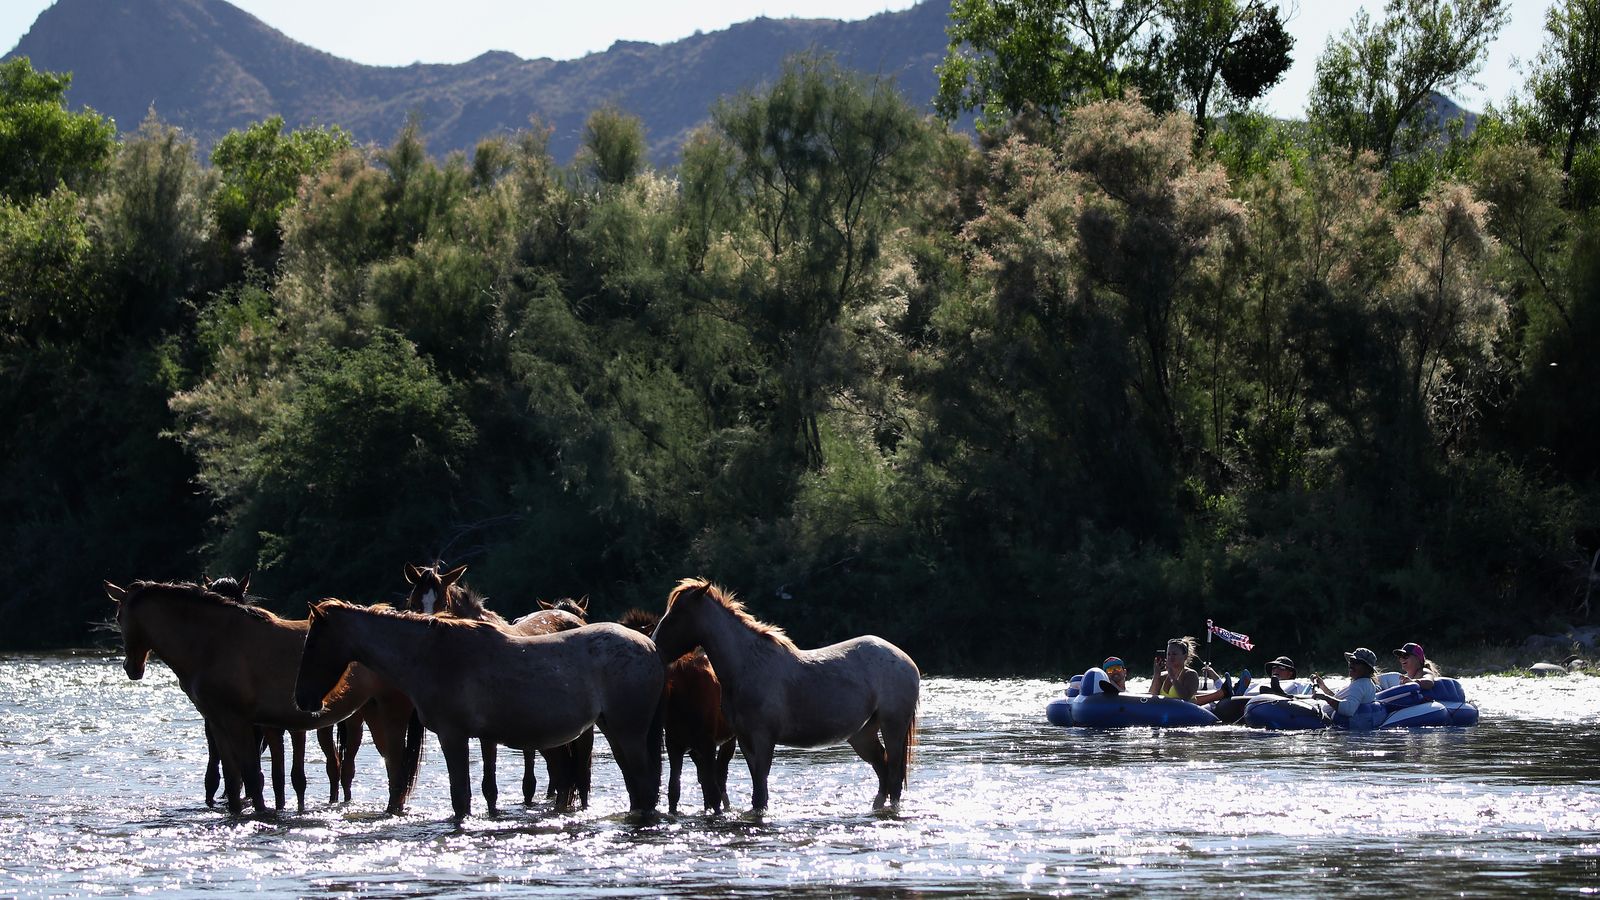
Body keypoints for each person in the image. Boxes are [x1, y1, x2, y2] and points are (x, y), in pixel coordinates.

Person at [1313, 647, 1379, 717]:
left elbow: (1348, 710)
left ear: (1367, 669)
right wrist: (1323, 686)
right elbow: (1339, 700)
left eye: (1356, 662)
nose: (1351, 665)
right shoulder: (1366, 683)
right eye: (1351, 661)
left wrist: (1325, 697)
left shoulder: (1359, 685)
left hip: (1324, 719)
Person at [1151, 637, 1202, 702]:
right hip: (1166, 711)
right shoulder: (1163, 676)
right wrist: (1156, 676)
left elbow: (1186, 698)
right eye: (1168, 654)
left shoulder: (1190, 674)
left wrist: (1173, 677)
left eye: (1174, 654)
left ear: (1185, 656)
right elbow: (1153, 696)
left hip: (1186, 711)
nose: (1170, 657)